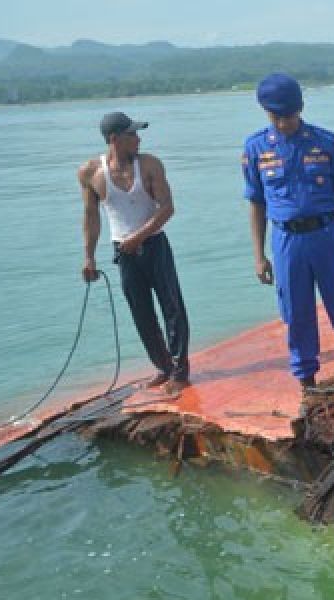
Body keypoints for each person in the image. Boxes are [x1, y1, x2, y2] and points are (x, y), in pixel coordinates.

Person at [242, 73, 334, 390]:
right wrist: (259, 256)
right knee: (296, 311)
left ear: (300, 108)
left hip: (327, 234)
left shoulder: (325, 142)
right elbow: (256, 204)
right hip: (286, 240)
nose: (285, 123)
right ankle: (307, 381)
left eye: (289, 115)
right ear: (266, 113)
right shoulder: (256, 148)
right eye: (277, 117)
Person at [78, 111, 191, 393]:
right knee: (141, 311)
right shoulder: (91, 173)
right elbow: (91, 217)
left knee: (172, 306)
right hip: (124, 251)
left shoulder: (150, 165)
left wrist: (139, 237)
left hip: (154, 244)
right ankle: (163, 366)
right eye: (132, 135)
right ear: (114, 139)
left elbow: (167, 208)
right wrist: (89, 256)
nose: (138, 139)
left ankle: (180, 370)